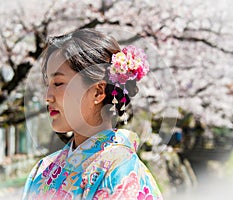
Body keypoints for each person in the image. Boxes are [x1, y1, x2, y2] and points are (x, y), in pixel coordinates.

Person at [22, 28, 163, 200]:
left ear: (97, 92)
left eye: (58, 83)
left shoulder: (121, 172)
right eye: (48, 84)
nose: (47, 97)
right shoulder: (43, 169)